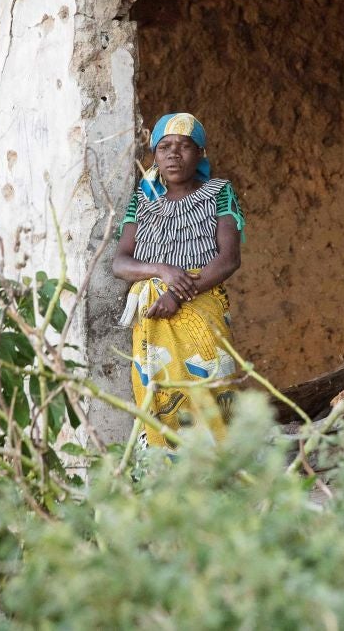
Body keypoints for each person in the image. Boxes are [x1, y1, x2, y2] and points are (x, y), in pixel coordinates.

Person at [113, 113, 245, 448]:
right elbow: (121, 262)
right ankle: (167, 477)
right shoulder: (141, 200)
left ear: (200, 154)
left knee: (213, 391)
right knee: (161, 394)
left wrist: (178, 294)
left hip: (203, 308)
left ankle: (222, 475)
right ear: (154, 155)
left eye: (185, 147)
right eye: (165, 147)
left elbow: (228, 259)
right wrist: (161, 270)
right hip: (154, 317)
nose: (174, 154)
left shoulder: (219, 192)